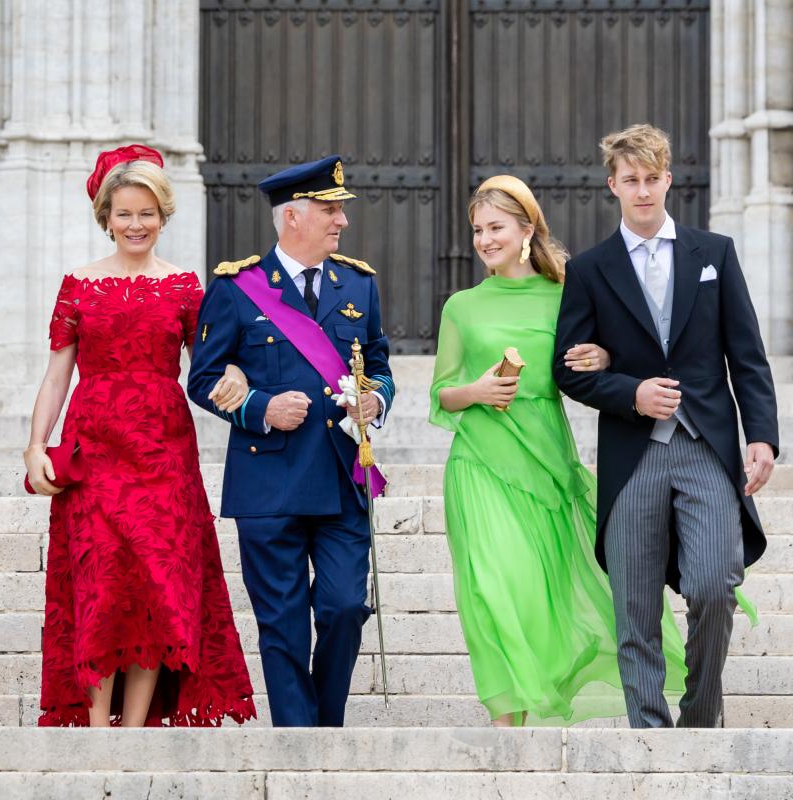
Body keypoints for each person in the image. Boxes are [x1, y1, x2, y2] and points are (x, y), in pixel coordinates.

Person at [430, 174, 690, 726]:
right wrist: (475, 391)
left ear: (527, 230)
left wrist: (599, 356)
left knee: (535, 596)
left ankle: (539, 700)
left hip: (546, 466)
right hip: (479, 463)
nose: (483, 240)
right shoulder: (461, 306)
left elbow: (602, 364)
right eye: (478, 230)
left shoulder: (568, 295)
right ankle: (506, 720)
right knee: (493, 591)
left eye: (495, 228)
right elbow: (441, 392)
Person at [553, 124, 778, 728]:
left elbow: (747, 356)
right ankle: (647, 735)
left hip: (705, 446)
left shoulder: (715, 253)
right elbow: (566, 370)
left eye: (653, 179)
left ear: (668, 180)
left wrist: (761, 436)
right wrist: (631, 391)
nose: (644, 191)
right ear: (613, 186)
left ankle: (701, 719)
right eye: (632, 181)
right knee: (634, 605)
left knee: (711, 585)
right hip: (633, 456)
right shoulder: (592, 270)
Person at [27, 144, 255, 727]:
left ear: (164, 215)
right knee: (101, 583)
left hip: (162, 449)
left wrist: (235, 374)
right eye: (125, 213)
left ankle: (132, 732)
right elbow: (57, 375)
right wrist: (35, 446)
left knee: (157, 586)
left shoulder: (184, 286)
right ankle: (98, 725)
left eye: (147, 213)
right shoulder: (78, 283)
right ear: (106, 216)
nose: (136, 225)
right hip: (93, 445)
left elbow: (206, 363)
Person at [187, 155, 395, 727]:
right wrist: (260, 407)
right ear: (291, 219)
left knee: (345, 606)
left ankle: (323, 728)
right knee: (281, 622)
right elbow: (203, 381)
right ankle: (300, 745)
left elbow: (379, 365)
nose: (341, 222)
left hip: (338, 476)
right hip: (269, 479)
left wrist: (373, 400)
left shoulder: (358, 283)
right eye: (330, 211)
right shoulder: (235, 289)